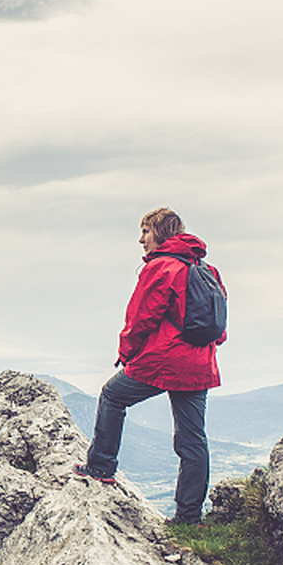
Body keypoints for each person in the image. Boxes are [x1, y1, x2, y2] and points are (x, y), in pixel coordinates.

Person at [74, 207, 225, 524]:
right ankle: (188, 518)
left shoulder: (161, 268)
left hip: (165, 359)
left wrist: (126, 352)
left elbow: (140, 317)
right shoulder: (207, 269)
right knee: (192, 439)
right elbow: (219, 327)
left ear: (161, 233)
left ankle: (100, 467)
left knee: (113, 395)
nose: (140, 239)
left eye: (145, 231)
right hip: (200, 363)